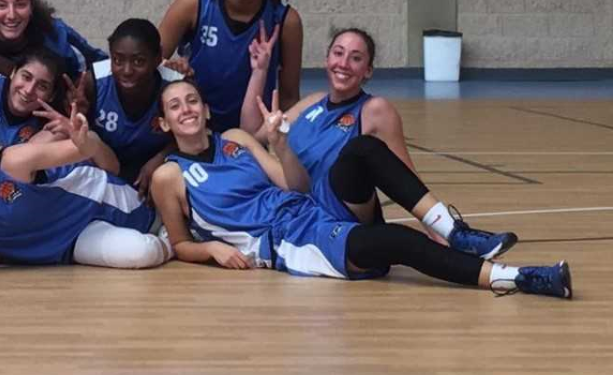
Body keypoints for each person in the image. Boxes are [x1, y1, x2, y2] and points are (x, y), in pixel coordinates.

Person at [149, 79, 572, 299]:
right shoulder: (169, 176)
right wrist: (212, 251)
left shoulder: (237, 139)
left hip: (310, 207)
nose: (186, 109)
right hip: (289, 241)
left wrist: (279, 144)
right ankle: (519, 278)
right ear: (165, 123)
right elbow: (181, 242)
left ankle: (452, 230)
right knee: (396, 241)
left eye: (191, 101)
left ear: (205, 109)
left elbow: (294, 184)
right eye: (175, 106)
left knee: (364, 148)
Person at [238, 27, 516, 258]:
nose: (344, 63)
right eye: (338, 53)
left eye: (356, 58)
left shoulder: (375, 110)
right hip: (305, 220)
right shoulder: (310, 104)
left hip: (346, 215)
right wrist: (260, 71)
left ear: (368, 71)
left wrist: (442, 236)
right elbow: (249, 134)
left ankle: (456, 234)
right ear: (326, 60)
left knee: (358, 153)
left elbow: (407, 179)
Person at [0, 108, 170, 275]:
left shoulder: (13, 161)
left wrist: (83, 138)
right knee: (140, 254)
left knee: (151, 224)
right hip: (71, 244)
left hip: (95, 202)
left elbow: (84, 151)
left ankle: (173, 236)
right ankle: (170, 240)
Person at [157, 0, 302, 131]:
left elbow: (289, 95)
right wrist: (174, 69)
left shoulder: (287, 20)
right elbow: (151, 60)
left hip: (252, 131)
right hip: (195, 125)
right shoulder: (195, 2)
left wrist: (286, 141)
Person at [67, 18, 183, 192]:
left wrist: (162, 158)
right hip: (105, 170)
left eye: (138, 61)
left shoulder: (177, 87)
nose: (127, 71)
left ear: (158, 57)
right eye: (118, 60)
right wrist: (81, 116)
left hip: (155, 173)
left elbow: (193, 136)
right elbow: (79, 140)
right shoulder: (93, 83)